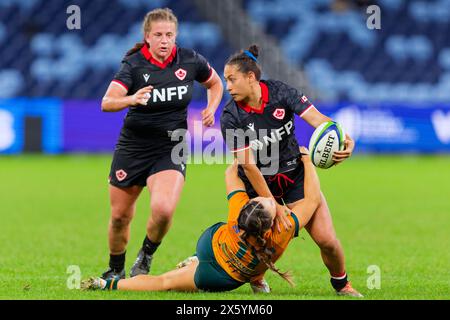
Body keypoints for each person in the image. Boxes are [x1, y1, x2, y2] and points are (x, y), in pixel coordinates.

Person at [219, 45, 362, 297]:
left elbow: (319, 120)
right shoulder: (230, 116)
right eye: (225, 80)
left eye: (232, 79)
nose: (227, 86)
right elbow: (248, 165)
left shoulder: (281, 92)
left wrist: (344, 138)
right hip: (258, 183)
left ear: (250, 77)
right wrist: (273, 204)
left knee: (327, 240)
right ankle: (257, 277)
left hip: (294, 173)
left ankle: (342, 285)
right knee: (259, 241)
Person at [81, 147, 322, 292]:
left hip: (211, 245)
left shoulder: (239, 212)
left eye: (263, 200)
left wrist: (246, 155)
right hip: (223, 278)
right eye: (267, 200)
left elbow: (231, 172)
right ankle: (256, 277)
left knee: (165, 282)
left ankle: (106, 285)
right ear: (271, 225)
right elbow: (311, 200)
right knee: (166, 283)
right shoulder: (284, 227)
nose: (267, 197)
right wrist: (307, 161)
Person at [99, 8, 223, 280]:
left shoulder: (190, 60)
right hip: (133, 147)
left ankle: (146, 255)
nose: (164, 40)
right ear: (147, 37)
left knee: (164, 210)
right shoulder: (133, 65)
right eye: (158, 35)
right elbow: (107, 102)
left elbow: (215, 83)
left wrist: (212, 108)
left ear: (175, 36)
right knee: (120, 216)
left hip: (170, 146)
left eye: (169, 35)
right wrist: (130, 100)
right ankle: (115, 269)